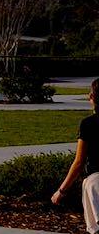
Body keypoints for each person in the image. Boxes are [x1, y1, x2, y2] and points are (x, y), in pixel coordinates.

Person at [52, 78, 99, 231]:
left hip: (96, 183)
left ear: (92, 97)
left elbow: (79, 162)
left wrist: (61, 191)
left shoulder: (88, 124)